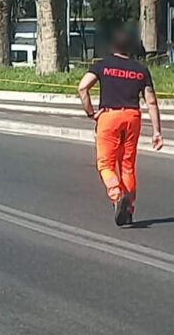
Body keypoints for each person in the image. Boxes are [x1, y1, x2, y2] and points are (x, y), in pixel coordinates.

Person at [77, 29, 163, 226]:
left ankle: (117, 195)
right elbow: (151, 101)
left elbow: (83, 87)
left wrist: (91, 113)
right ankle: (129, 206)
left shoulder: (102, 65)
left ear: (113, 46)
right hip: (132, 117)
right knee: (127, 165)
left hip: (109, 116)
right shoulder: (141, 70)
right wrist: (157, 131)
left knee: (105, 164)